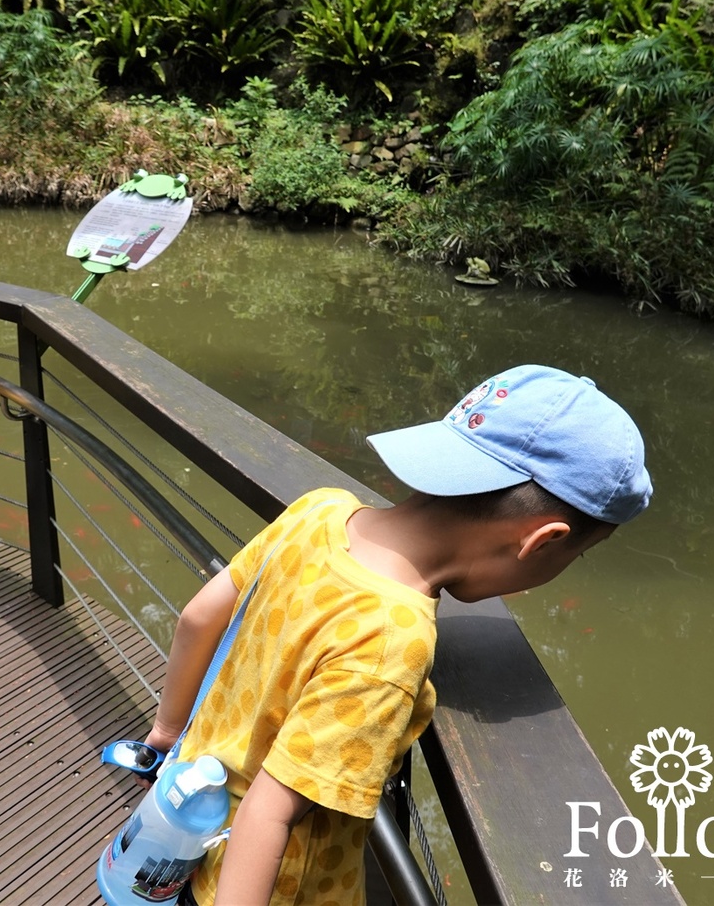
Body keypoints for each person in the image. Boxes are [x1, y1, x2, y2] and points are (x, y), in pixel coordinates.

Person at [141, 364, 653, 905]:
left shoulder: (321, 509)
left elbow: (198, 618)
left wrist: (167, 731)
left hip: (186, 821)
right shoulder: (391, 641)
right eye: (578, 555)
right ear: (542, 542)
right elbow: (268, 811)